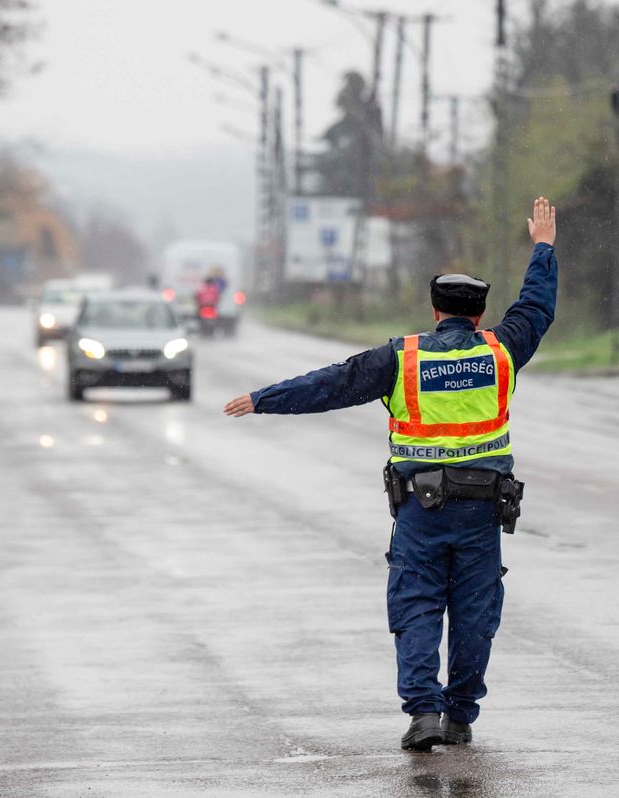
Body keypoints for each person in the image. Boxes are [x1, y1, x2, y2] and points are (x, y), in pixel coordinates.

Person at [224, 197, 558, 751]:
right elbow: (537, 307)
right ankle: (461, 715)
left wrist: (263, 399)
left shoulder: (400, 359)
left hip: (421, 511)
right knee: (476, 611)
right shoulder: (504, 350)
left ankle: (424, 712)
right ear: (478, 314)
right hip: (482, 509)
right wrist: (543, 247)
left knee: (417, 603)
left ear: (435, 310)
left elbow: (331, 384)